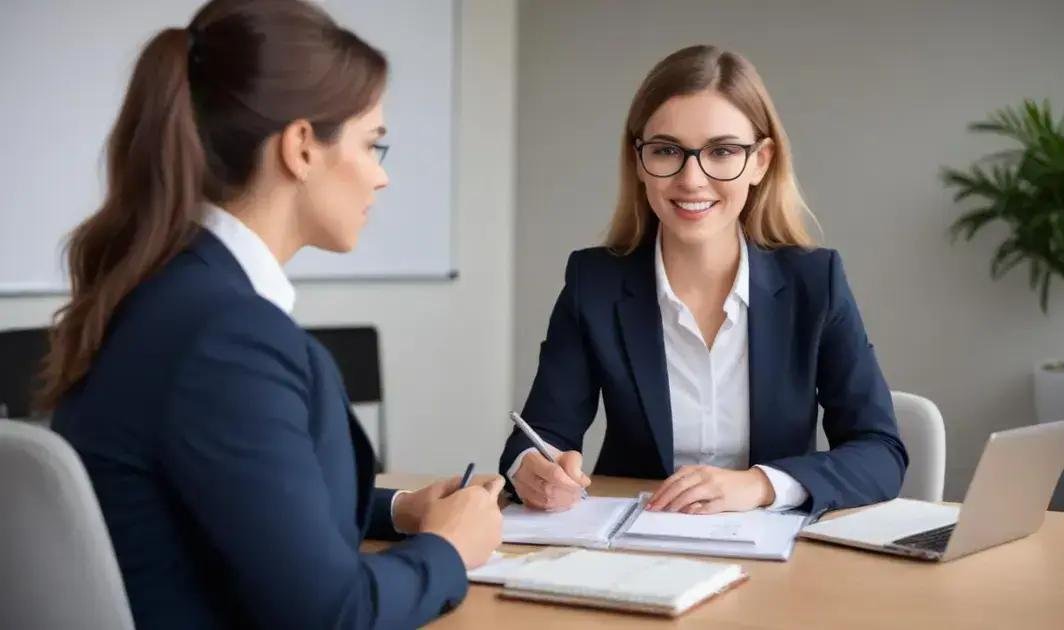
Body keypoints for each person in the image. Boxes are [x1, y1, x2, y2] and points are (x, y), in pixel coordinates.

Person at [43, 1, 502, 628]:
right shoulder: (225, 338)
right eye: (374, 145)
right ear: (302, 148)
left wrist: (402, 512)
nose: (381, 177)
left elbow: (243, 500)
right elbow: (332, 614)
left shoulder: (167, 296)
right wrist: (448, 550)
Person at [500, 45, 907, 519]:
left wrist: (759, 485)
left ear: (761, 161)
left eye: (722, 151)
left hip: (776, 559)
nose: (692, 179)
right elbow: (537, 438)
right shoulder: (595, 283)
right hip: (637, 551)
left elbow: (880, 453)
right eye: (667, 150)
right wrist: (533, 469)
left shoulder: (815, 283)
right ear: (639, 160)